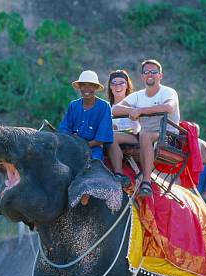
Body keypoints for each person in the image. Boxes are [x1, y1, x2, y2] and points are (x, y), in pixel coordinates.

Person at [112, 59, 180, 198]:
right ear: (142, 76)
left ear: (160, 76)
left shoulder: (168, 92)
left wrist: (141, 111)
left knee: (145, 135)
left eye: (154, 72)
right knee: (110, 135)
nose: (150, 74)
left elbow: (168, 107)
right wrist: (132, 110)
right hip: (143, 134)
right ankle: (118, 174)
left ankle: (146, 182)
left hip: (167, 134)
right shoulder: (138, 96)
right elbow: (115, 109)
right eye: (146, 72)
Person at [59, 70, 114, 162]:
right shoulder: (73, 105)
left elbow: (102, 138)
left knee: (95, 162)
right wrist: (71, 139)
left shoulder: (104, 106)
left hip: (93, 148)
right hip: (72, 145)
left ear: (96, 87)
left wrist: (82, 145)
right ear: (79, 87)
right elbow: (64, 129)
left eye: (91, 85)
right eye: (83, 85)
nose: (86, 88)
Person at [106, 69, 139, 188]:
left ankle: (118, 173)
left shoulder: (135, 104)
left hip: (133, 136)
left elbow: (138, 126)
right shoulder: (106, 106)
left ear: (127, 85)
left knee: (111, 136)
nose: (117, 86)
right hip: (109, 136)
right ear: (110, 87)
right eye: (114, 83)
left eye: (121, 83)